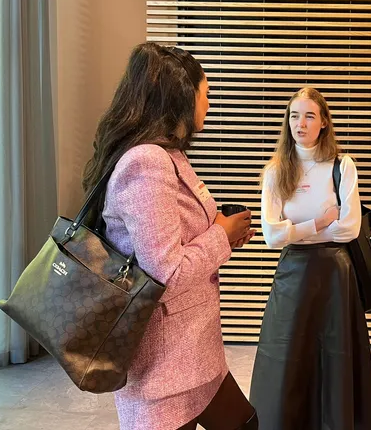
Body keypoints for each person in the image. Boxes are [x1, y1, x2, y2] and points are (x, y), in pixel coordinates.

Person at [82, 43, 258, 430]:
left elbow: (172, 234)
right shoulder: (146, 162)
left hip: (192, 350)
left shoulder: (169, 154)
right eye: (205, 93)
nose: (209, 103)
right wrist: (221, 236)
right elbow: (166, 273)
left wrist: (221, 229)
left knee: (245, 422)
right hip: (163, 365)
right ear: (181, 96)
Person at [249, 87, 371, 430]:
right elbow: (272, 236)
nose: (300, 123)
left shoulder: (342, 165)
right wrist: (319, 223)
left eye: (309, 116)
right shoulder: (276, 170)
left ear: (324, 122)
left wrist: (295, 229)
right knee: (287, 356)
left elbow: (349, 228)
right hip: (293, 274)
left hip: (335, 274)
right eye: (294, 116)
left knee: (335, 356)